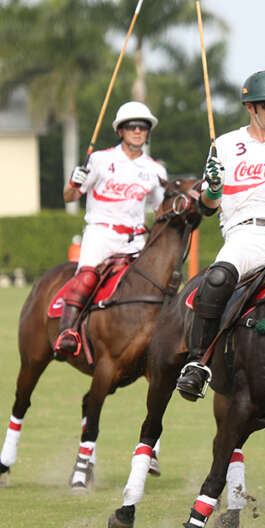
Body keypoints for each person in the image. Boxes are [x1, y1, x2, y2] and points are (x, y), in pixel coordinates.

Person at [176, 70, 265, 399]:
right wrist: (212, 188)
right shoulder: (225, 145)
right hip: (245, 237)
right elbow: (210, 206)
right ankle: (197, 363)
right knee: (216, 279)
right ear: (250, 108)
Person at [53, 101, 167, 358]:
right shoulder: (100, 160)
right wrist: (74, 181)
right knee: (86, 277)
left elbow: (161, 211)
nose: (138, 131)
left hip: (136, 239)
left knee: (158, 282)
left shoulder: (155, 170)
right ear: (121, 131)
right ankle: (67, 333)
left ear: (148, 132)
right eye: (132, 127)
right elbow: (70, 196)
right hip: (101, 234)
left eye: (143, 127)